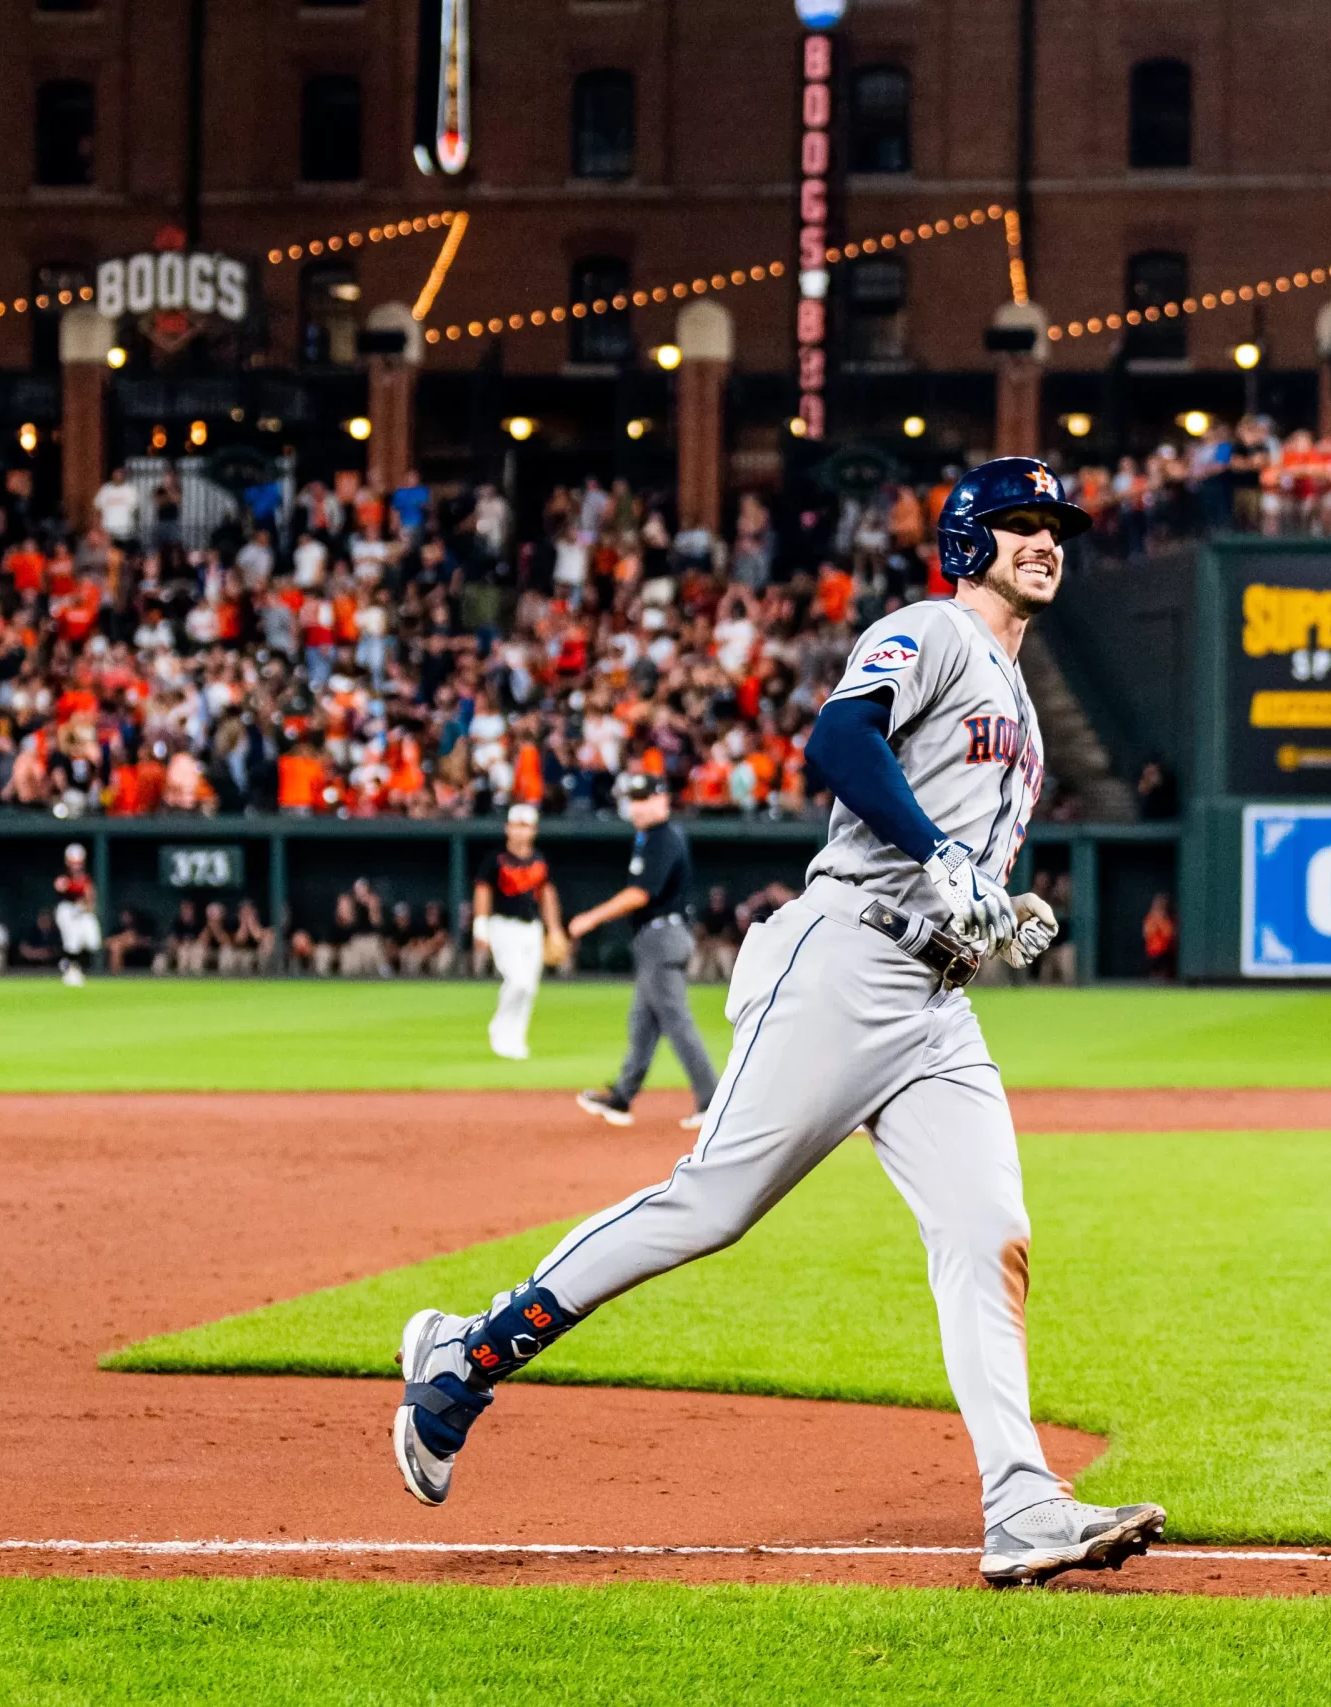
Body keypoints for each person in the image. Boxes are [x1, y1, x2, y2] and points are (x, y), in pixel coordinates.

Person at [391, 457, 1162, 1591]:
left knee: (988, 1231)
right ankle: (469, 1351)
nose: (1045, 541)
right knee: (713, 1204)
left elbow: (952, 838)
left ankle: (1022, 1506)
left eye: (1056, 526)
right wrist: (941, 856)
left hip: (935, 1002)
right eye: (1019, 525)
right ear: (966, 544)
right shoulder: (934, 632)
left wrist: (988, 904)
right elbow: (839, 745)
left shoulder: (1022, 703)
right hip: (844, 960)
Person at [569, 774, 718, 1130]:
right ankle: (621, 1098)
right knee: (643, 1023)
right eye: (632, 799)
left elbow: (640, 894)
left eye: (642, 798)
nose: (635, 806)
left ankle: (712, 1100)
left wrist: (591, 918)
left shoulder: (662, 838)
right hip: (658, 938)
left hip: (663, 935)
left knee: (676, 1022)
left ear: (661, 800)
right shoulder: (653, 837)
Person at [472, 803, 562, 1059]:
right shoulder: (496, 859)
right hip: (503, 926)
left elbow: (547, 894)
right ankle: (500, 1029)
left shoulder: (539, 860)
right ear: (508, 828)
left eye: (527, 826)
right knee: (518, 981)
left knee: (530, 987)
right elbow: (483, 891)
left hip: (531, 928)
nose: (522, 831)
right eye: (517, 825)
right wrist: (481, 927)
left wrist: (554, 928)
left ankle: (517, 1038)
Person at [52, 842, 101, 987]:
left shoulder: (86, 877)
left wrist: (88, 904)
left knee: (93, 942)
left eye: (78, 863)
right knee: (72, 942)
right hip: (67, 910)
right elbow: (63, 889)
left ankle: (68, 964)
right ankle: (71, 970)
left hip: (82, 912)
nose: (76, 866)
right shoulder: (62, 877)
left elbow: (90, 897)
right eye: (73, 863)